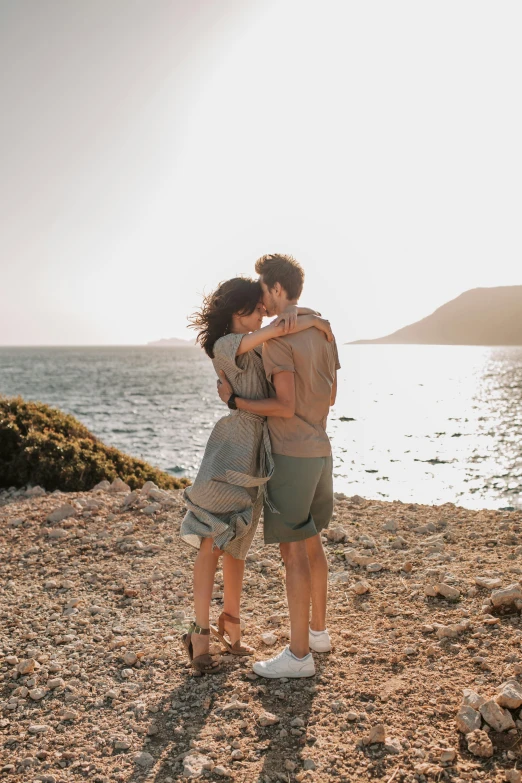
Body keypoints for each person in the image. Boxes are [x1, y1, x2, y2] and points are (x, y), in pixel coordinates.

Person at [180, 276, 333, 674]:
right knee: (212, 537)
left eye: (264, 307)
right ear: (237, 311)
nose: (264, 313)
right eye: (256, 308)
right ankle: (199, 636)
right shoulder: (224, 345)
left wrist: (314, 324)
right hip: (231, 447)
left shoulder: (259, 344)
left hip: (257, 453)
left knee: (238, 541)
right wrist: (319, 323)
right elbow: (281, 326)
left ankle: (232, 625)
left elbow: (278, 333)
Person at [217, 254, 340, 678]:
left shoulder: (276, 340)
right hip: (321, 448)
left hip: (291, 452)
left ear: (275, 288)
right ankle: (319, 633)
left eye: (263, 291)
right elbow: (333, 395)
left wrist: (239, 402)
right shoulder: (324, 330)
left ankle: (299, 654)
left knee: (293, 551)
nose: (262, 304)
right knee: (311, 540)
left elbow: (284, 406)